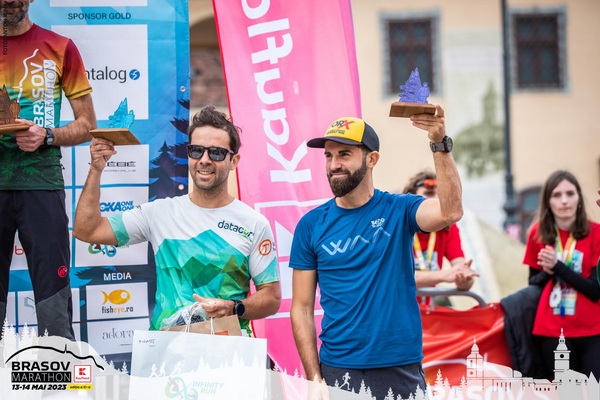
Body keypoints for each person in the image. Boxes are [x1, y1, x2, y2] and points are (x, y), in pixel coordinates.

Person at [290, 106, 463, 399]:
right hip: (338, 369)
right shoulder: (311, 225)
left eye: (344, 154)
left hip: (399, 366)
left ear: (371, 159)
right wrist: (314, 378)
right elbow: (302, 308)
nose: (334, 165)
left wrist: (439, 145)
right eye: (329, 156)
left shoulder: (399, 209)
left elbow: (451, 212)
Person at [72, 106, 281, 335]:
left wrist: (233, 307)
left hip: (228, 350)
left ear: (234, 161)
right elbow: (87, 230)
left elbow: (271, 298)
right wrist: (96, 169)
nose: (204, 160)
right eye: (196, 151)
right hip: (167, 350)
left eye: (216, 153)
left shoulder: (253, 223)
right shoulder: (159, 212)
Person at [0, 0, 96, 339]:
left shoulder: (60, 48)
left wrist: (48, 135)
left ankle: (59, 371)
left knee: (53, 305)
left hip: (42, 184)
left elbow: (88, 124)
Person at [522, 170, 600, 379]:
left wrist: (557, 266)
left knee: (596, 391)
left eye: (570, 193)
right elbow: (533, 284)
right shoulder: (537, 233)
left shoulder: (596, 232)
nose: (564, 201)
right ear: (548, 202)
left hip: (593, 329)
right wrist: (548, 272)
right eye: (556, 195)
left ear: (579, 199)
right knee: (566, 393)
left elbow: (595, 290)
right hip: (552, 330)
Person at [402, 170, 477, 291]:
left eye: (442, 196)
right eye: (429, 193)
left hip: (428, 302)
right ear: (410, 199)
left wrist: (465, 279)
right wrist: (445, 275)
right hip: (395, 302)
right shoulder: (397, 225)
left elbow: (460, 267)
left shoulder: (448, 227)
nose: (438, 200)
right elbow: (397, 276)